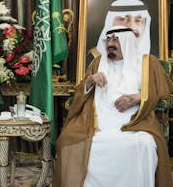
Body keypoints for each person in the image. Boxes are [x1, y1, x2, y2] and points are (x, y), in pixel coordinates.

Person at [53, 26, 173, 187]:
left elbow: (164, 91)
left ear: (127, 41)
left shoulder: (147, 62)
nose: (110, 43)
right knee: (68, 141)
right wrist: (90, 80)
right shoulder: (97, 63)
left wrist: (139, 97)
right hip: (96, 123)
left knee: (144, 144)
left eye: (115, 39)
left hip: (135, 123)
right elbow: (81, 90)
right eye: (108, 39)